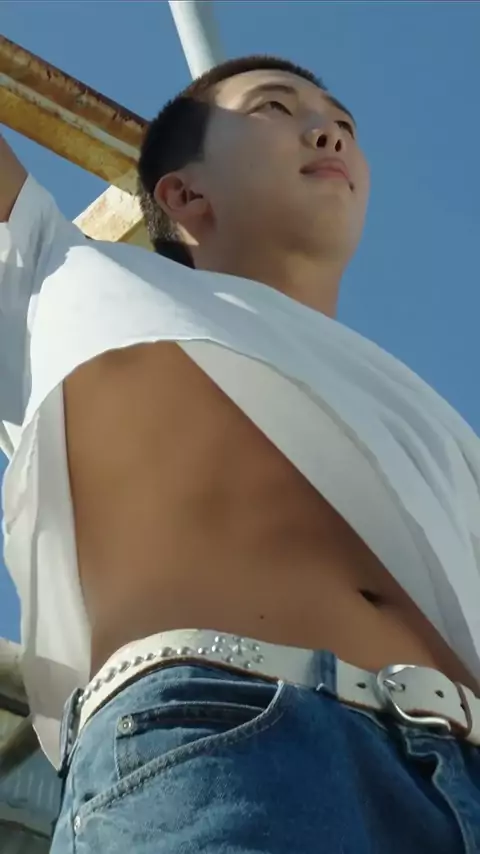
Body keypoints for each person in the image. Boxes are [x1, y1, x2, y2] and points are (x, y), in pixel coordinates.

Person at [1, 54, 480, 853]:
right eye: (274, 108)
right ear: (183, 193)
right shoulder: (59, 273)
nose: (328, 131)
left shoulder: (433, 425)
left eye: (344, 123)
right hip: (226, 741)